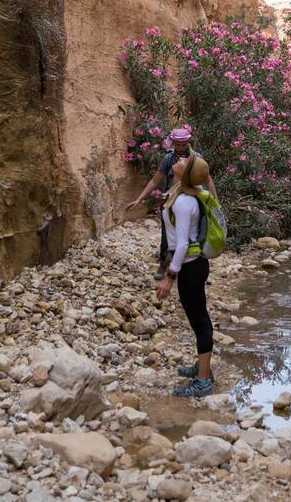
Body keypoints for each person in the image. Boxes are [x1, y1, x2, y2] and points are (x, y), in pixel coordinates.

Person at [155, 153, 215, 397]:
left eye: (183, 163)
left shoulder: (183, 202)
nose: (178, 161)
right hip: (194, 265)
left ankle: (203, 381)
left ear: (187, 173)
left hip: (190, 266)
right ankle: (202, 367)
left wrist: (170, 276)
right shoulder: (188, 193)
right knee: (197, 319)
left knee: (200, 321)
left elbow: (181, 245)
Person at [126, 127, 218, 279]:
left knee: (194, 234)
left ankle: (192, 263)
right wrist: (139, 198)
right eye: (178, 144)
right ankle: (164, 264)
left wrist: (214, 202)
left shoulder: (196, 158)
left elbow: (207, 179)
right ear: (174, 143)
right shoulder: (168, 159)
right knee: (167, 237)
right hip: (171, 202)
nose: (181, 148)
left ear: (188, 142)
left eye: (183, 144)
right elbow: (156, 180)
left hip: (192, 200)